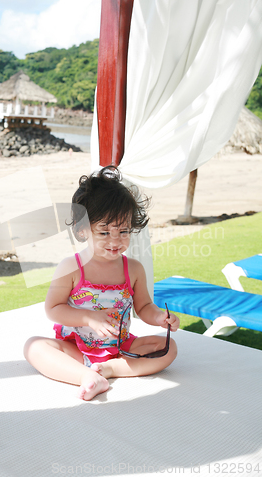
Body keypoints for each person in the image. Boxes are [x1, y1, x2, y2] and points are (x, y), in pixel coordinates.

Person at [24, 166, 179, 401]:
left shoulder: (134, 269)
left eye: (124, 231)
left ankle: (109, 370)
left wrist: (159, 318)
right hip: (76, 347)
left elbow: (144, 306)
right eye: (104, 233)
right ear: (83, 230)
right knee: (34, 346)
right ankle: (87, 376)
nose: (115, 240)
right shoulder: (71, 267)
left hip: (121, 348)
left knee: (169, 348)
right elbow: (53, 309)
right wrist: (89, 317)